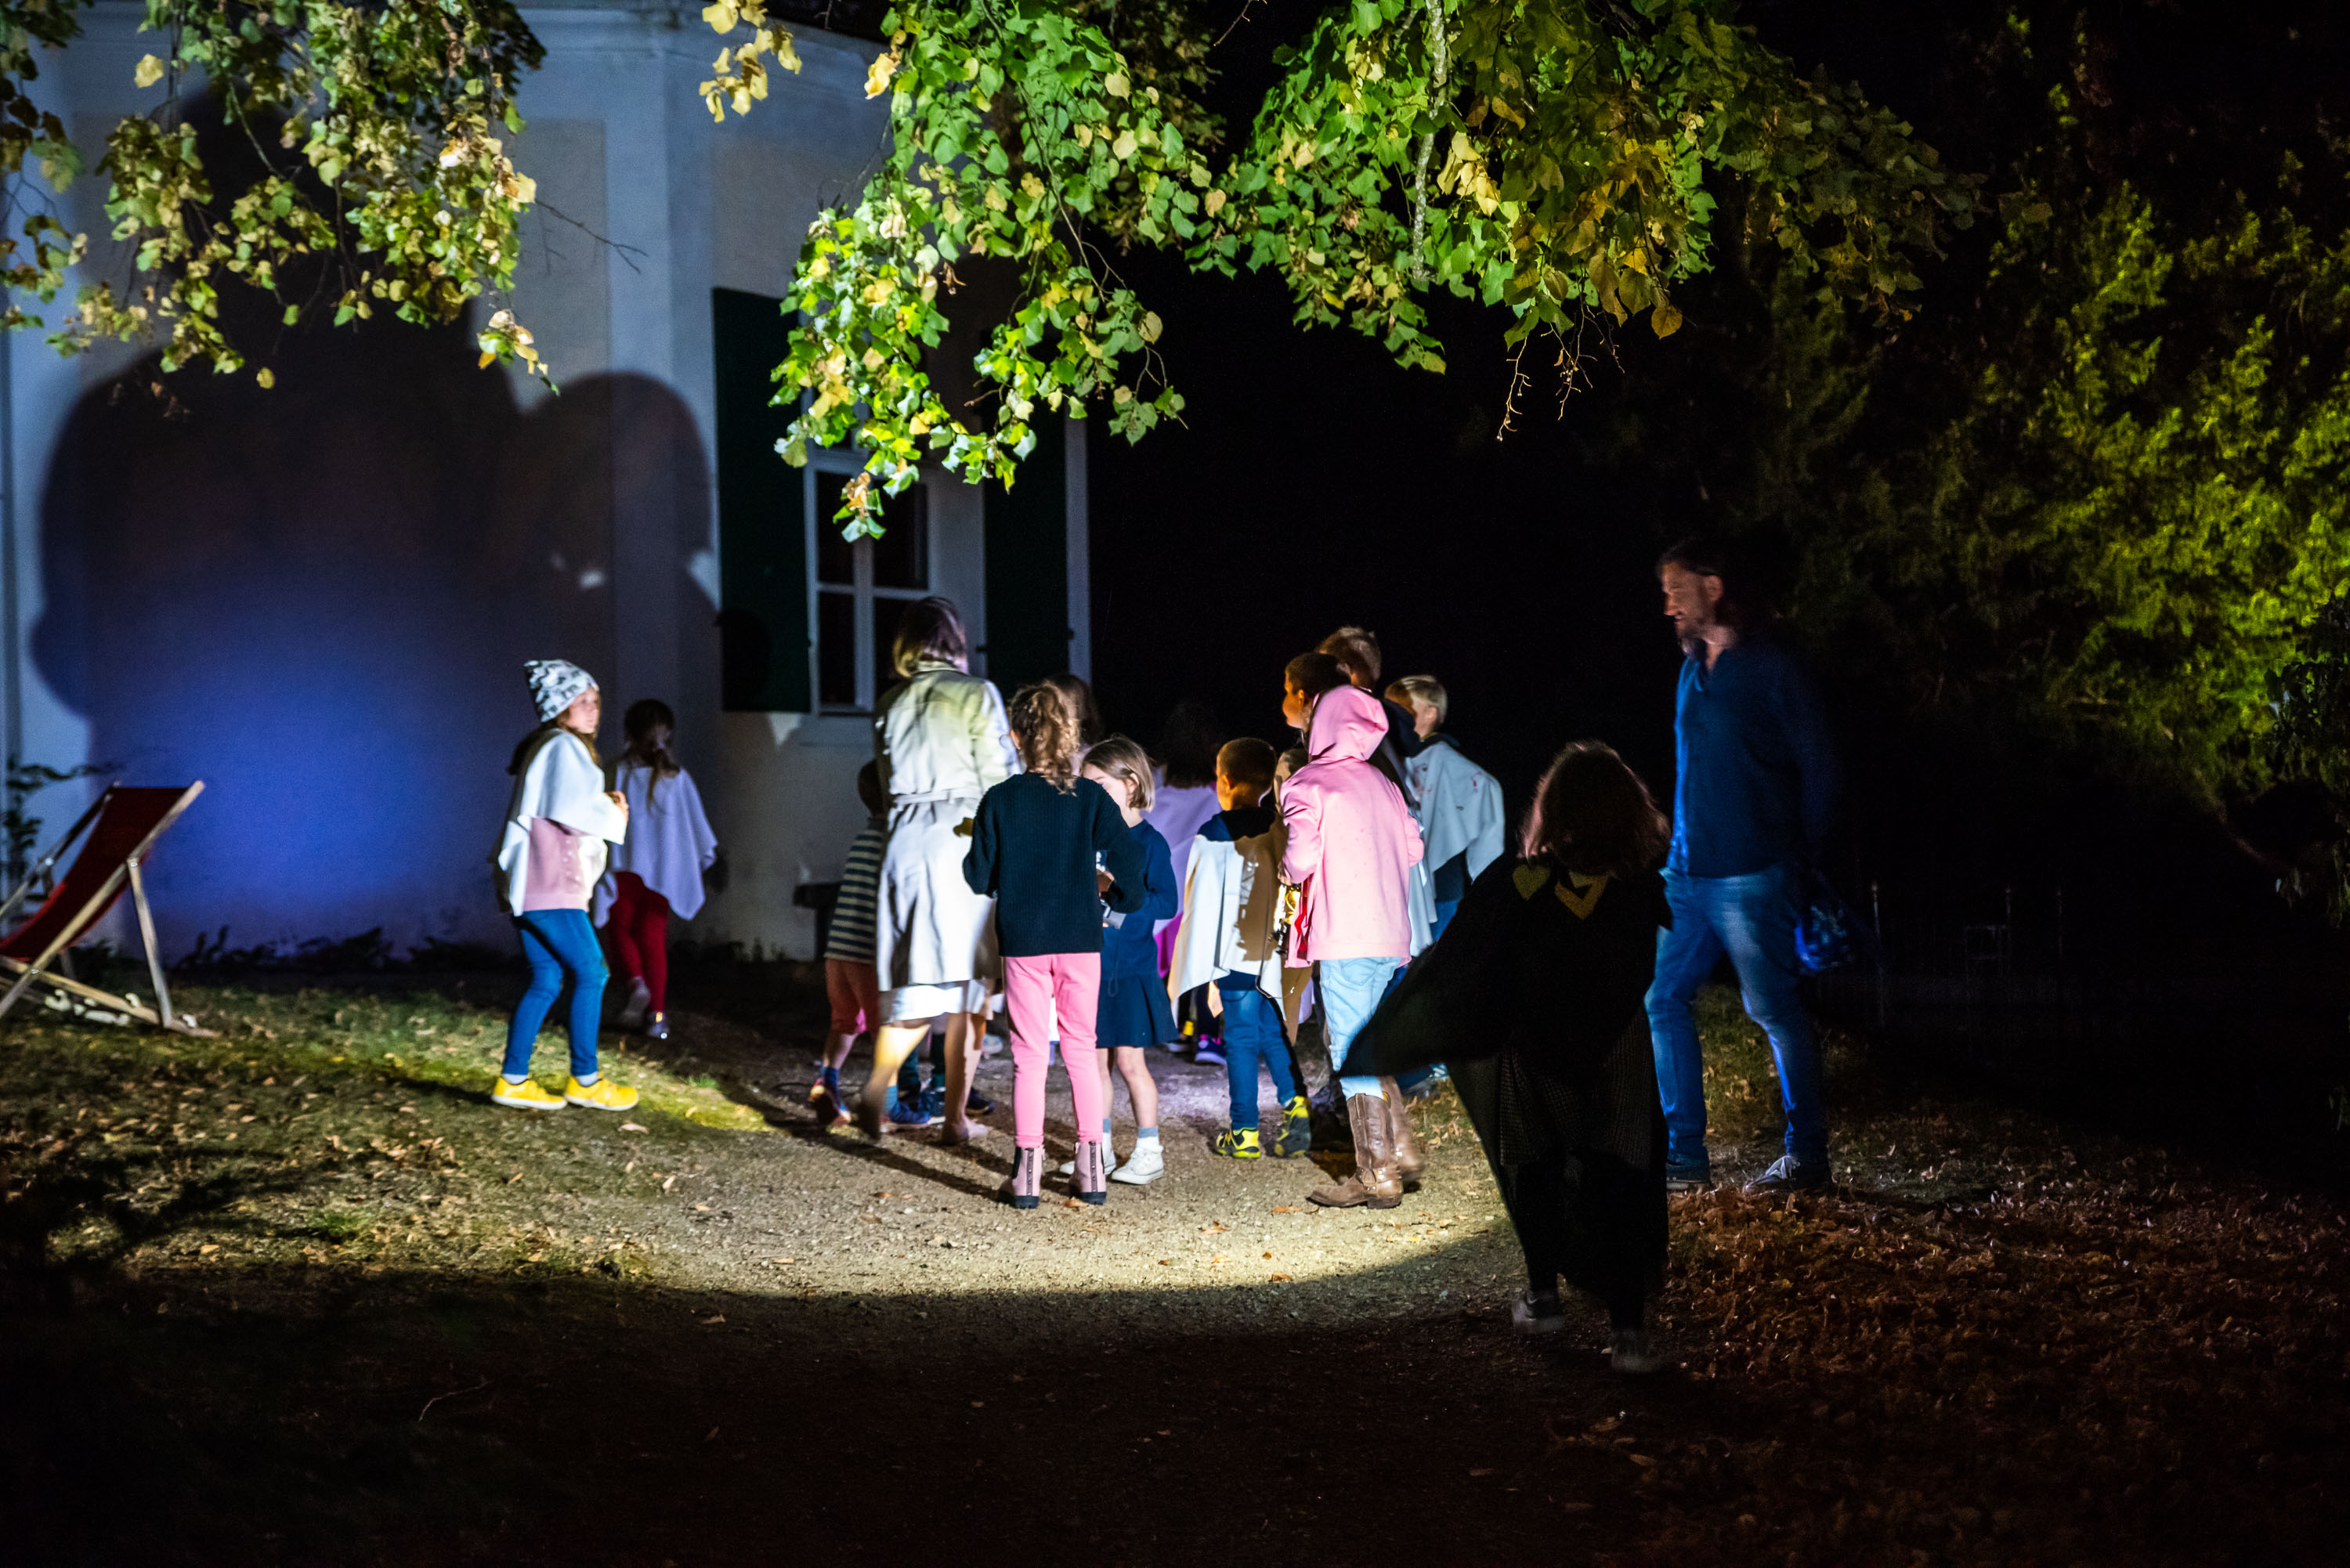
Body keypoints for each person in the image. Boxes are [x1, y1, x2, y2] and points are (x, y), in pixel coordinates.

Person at [1354, 741, 1672, 1373]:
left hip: (1533, 1053)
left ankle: (1544, 1294)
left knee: (1536, 1163)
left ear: (1552, 812)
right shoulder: (1637, 890)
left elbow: (1464, 959)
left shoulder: (1520, 883)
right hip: (1619, 1052)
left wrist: (1410, 1025)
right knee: (1623, 1173)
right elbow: (1636, 968)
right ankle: (1629, 1333)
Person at [1644, 537, 1840, 1195]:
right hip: (1687, 875)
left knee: (1774, 1009)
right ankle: (1683, 1158)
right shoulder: (1691, 672)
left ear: (1714, 585)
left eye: (1676, 587)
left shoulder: (1773, 667)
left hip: (1755, 874)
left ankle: (1807, 1158)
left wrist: (1800, 858)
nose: (1667, 601)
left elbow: (1819, 766)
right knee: (1660, 997)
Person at [964, 684, 1146, 1207]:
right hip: (1081, 940)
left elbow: (979, 876)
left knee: (1028, 1056)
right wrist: (1119, 894)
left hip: (1024, 941)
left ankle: (1027, 1173)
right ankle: (1091, 1169)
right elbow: (1130, 860)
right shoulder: (1089, 797)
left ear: (1016, 737)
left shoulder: (1000, 799)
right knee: (1081, 1051)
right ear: (1071, 737)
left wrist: (1007, 870)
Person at [859, 596, 1020, 1143]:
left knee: (916, 979)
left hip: (905, 838)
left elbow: (883, 783)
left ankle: (879, 1085)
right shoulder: (977, 693)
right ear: (955, 641)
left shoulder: (889, 702)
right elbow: (1000, 776)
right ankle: (954, 1117)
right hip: (963, 837)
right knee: (971, 986)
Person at [1278, 681, 1425, 1207]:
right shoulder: (1384, 784)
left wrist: (1284, 871)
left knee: (1348, 1047)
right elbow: (1413, 850)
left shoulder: (1307, 784)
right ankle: (1400, 1149)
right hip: (1391, 934)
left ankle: (1377, 1173)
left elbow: (1300, 859)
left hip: (1343, 934)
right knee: (1373, 1039)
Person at [490, 659, 637, 1113]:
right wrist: (615, 811)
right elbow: (575, 810)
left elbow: (566, 805)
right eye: (583, 702)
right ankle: (585, 1080)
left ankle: (514, 1079)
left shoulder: (549, 748)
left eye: (596, 702)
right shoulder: (564, 748)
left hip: (533, 888)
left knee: (547, 978)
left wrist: (604, 805)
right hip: (551, 887)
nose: (594, 711)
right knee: (593, 972)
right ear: (560, 708)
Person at [1169, 737, 1311, 1159]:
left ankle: (1245, 1130)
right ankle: (1295, 1107)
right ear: (1269, 782)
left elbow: (1198, 902)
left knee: (1242, 1037)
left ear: (1224, 781)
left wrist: (1199, 960)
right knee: (1271, 1030)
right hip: (1273, 950)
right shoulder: (1280, 828)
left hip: (1232, 952)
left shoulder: (1212, 833)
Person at [1079, 735, 1179, 1184]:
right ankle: (1096, 1153)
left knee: (1130, 1063)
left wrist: (1120, 895)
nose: (1089, 794)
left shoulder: (1149, 843)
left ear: (1132, 783)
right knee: (1092, 1063)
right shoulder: (1087, 838)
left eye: (1099, 784)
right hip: (1089, 969)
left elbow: (1167, 903)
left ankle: (1148, 1150)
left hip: (1131, 970)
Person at [595, 699, 718, 1043]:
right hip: (657, 873)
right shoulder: (672, 777)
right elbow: (697, 834)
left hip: (626, 868)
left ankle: (638, 988)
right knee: (647, 938)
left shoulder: (622, 773)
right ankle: (656, 1014)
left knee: (619, 929)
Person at [1389, 674, 1507, 943]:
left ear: (1430, 714)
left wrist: (1485, 887)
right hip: (1401, 886)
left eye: (1404, 710)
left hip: (1442, 889)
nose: (1395, 717)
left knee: (1423, 967)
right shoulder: (1394, 758)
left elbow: (1487, 795)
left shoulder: (1450, 762)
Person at [812, 762, 888, 1131]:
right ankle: (880, 1104)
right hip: (867, 955)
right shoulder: (892, 842)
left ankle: (826, 1080)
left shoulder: (862, 838)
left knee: (843, 1022)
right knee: (885, 1032)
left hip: (837, 951)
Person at [1042, 672, 1105, 747]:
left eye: (1065, 706)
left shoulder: (1087, 755)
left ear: (1082, 712)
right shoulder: (1037, 750)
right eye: (1050, 705)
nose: (1056, 713)